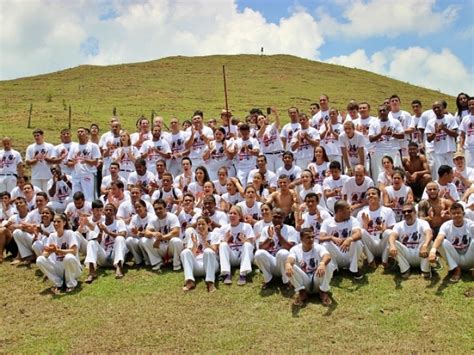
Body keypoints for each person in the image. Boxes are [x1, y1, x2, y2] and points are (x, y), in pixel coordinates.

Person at [285, 228, 334, 306]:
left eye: (312, 237)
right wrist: (288, 264)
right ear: (301, 239)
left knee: (328, 264)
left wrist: (322, 263)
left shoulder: (318, 247)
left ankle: (323, 291)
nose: (311, 239)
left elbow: (327, 256)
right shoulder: (295, 249)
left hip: (318, 279)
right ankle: (302, 292)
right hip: (304, 281)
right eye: (308, 237)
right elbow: (291, 259)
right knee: (290, 266)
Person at [36, 213, 82, 294]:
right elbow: (45, 255)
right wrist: (49, 251)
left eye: (58, 221)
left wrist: (58, 250)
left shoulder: (70, 233)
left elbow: (74, 251)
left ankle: (71, 284)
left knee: (69, 257)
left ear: (64, 223)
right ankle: (58, 283)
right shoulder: (52, 236)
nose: (56, 224)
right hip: (59, 268)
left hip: (73, 269)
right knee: (40, 260)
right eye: (54, 221)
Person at [254, 208, 299, 289]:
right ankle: (268, 279)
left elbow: (291, 247)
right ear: (271, 216)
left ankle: (285, 280)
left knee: (283, 252)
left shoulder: (290, 229)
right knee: (258, 253)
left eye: (280, 217)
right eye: (275, 217)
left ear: (284, 218)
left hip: (283, 263)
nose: (277, 219)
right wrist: (269, 237)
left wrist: (279, 234)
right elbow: (260, 247)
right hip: (271, 262)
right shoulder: (266, 229)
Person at [429, 203, 474, 282]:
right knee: (442, 242)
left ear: (463, 214)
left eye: (459, 213)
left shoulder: (471, 224)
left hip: (470, 257)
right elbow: (439, 237)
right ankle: (456, 269)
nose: (456, 215)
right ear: (450, 214)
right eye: (454, 213)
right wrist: (433, 251)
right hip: (456, 258)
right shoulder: (446, 225)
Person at [319, 200, 364, 279]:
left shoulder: (353, 220)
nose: (351, 210)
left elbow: (358, 234)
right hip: (336, 255)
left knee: (358, 242)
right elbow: (321, 238)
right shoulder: (327, 222)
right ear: (339, 211)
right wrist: (331, 237)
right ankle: (333, 268)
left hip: (349, 254)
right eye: (347, 209)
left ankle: (353, 269)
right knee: (325, 244)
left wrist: (349, 239)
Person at [84, 203, 128, 282]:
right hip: (103, 257)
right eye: (106, 210)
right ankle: (91, 272)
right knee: (91, 242)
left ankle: (118, 268)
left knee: (120, 239)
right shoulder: (101, 224)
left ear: (114, 212)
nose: (108, 211)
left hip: (115, 255)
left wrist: (108, 232)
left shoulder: (119, 222)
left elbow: (123, 235)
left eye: (110, 210)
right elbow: (97, 241)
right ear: (103, 212)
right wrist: (101, 232)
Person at [388, 202, 433, 279]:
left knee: (429, 242)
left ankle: (425, 270)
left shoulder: (423, 223)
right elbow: (392, 236)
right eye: (404, 212)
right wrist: (392, 246)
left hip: (421, 253)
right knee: (392, 243)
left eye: (409, 211)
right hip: (407, 254)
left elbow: (429, 233)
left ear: (415, 212)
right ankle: (405, 269)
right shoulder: (398, 225)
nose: (406, 213)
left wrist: (425, 245)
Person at [357, 187, 396, 268]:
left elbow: (393, 230)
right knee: (361, 231)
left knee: (389, 232)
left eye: (373, 194)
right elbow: (358, 234)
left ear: (379, 197)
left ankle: (384, 260)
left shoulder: (387, 211)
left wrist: (383, 230)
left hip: (383, 244)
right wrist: (365, 225)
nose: (370, 196)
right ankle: (370, 260)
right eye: (368, 194)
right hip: (370, 245)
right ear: (366, 198)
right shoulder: (362, 213)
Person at [180, 216, 220, 292]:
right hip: (197, 266)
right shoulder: (194, 236)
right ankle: (189, 281)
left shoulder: (214, 235)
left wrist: (204, 240)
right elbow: (191, 255)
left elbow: (214, 250)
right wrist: (195, 244)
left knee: (208, 251)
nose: (200, 226)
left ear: (208, 225)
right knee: (185, 252)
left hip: (211, 266)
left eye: (203, 224)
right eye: (198, 224)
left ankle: (210, 282)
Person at [218, 205, 255, 286]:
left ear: (239, 216)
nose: (232, 215)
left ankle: (243, 274)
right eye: (230, 213)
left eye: (234, 213)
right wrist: (226, 240)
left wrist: (244, 240)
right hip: (231, 257)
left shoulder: (246, 226)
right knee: (223, 244)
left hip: (244, 256)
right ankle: (226, 274)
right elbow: (219, 247)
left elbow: (252, 243)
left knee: (247, 245)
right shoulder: (224, 228)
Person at [142, 199, 182, 271]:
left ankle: (176, 263)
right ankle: (158, 262)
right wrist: (154, 233)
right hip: (160, 246)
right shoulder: (153, 219)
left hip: (171, 247)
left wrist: (161, 238)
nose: (158, 211)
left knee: (176, 241)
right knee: (145, 240)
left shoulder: (172, 217)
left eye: (160, 208)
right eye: (156, 209)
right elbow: (146, 232)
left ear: (165, 208)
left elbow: (176, 232)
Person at [369, 105, 404, 180]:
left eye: (384, 110)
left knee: (397, 171)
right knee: (379, 173)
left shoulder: (395, 122)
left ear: (388, 111)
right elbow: (371, 139)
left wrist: (391, 134)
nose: (382, 112)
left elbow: (402, 135)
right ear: (378, 113)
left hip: (393, 150)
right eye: (380, 111)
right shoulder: (374, 124)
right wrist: (381, 133)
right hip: (379, 151)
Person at [425, 101, 458, 177]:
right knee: (441, 173)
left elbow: (455, 134)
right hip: (438, 152)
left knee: (452, 172)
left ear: (442, 108)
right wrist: (435, 132)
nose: (436, 109)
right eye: (434, 108)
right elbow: (428, 139)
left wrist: (444, 128)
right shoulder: (430, 122)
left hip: (450, 150)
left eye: (438, 107)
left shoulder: (450, 118)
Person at [67, 127, 101, 201]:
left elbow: (95, 162)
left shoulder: (93, 146)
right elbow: (68, 163)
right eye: (78, 132)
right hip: (76, 175)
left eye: (82, 131)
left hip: (88, 174)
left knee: (88, 197)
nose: (80, 133)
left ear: (86, 134)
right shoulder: (73, 147)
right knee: (76, 197)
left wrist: (86, 160)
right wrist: (74, 162)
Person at [256, 108, 284, 172]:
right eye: (259, 119)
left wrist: (275, 113)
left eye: (262, 118)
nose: (261, 120)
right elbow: (260, 134)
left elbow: (278, 122)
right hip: (267, 155)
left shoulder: (272, 126)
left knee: (280, 172)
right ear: (257, 123)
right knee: (270, 173)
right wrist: (265, 124)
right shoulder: (257, 132)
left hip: (278, 153)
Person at [458, 97, 474, 167]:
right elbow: (462, 134)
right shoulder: (465, 118)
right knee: (470, 168)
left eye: (473, 104)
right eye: (469, 105)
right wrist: (461, 147)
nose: (471, 106)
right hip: (468, 148)